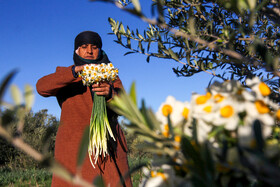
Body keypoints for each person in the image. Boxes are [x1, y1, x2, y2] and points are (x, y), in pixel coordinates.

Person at [36, 31, 132, 187]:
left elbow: (126, 107)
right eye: (84, 46)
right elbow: (41, 87)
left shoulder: (110, 75)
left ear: (100, 50)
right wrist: (74, 72)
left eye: (94, 47)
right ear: (76, 50)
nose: (89, 51)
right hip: (75, 148)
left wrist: (110, 94)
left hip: (109, 146)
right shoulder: (66, 75)